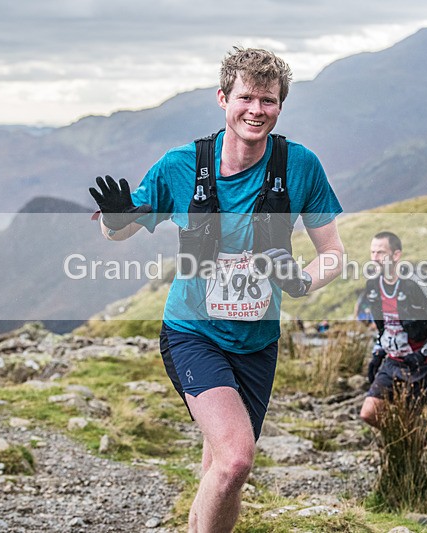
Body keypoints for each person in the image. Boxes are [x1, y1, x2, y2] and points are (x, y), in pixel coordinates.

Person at [88, 47, 344, 533]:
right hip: (192, 332)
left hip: (257, 342)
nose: (256, 110)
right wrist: (116, 220)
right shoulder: (180, 166)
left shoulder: (301, 166)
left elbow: (333, 252)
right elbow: (118, 230)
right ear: (223, 98)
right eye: (246, 97)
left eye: (268, 100)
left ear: (280, 106)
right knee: (235, 461)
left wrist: (304, 280)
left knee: (219, 471)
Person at [360, 232, 427, 429]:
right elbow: (384, 326)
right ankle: (402, 440)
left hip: (423, 365)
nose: (374, 258)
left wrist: (421, 355)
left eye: (381, 252)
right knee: (368, 413)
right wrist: (378, 352)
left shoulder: (415, 283)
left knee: (407, 419)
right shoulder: (373, 285)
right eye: (372, 252)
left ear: (396, 255)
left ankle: (411, 444)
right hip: (392, 362)